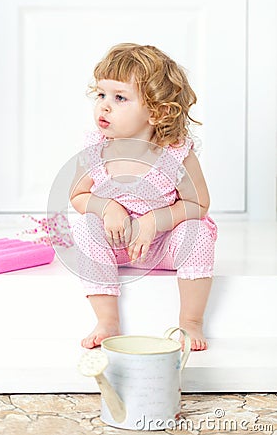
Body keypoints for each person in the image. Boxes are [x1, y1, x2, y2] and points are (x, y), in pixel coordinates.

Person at [70, 43, 217, 351]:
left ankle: (190, 322)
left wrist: (155, 219)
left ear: (157, 111)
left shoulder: (176, 153)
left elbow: (199, 204)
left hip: (162, 247)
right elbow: (78, 195)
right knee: (85, 225)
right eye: (101, 95)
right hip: (117, 245)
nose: (104, 106)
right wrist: (108, 207)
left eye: (119, 97)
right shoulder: (96, 148)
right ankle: (107, 319)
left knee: (199, 232)